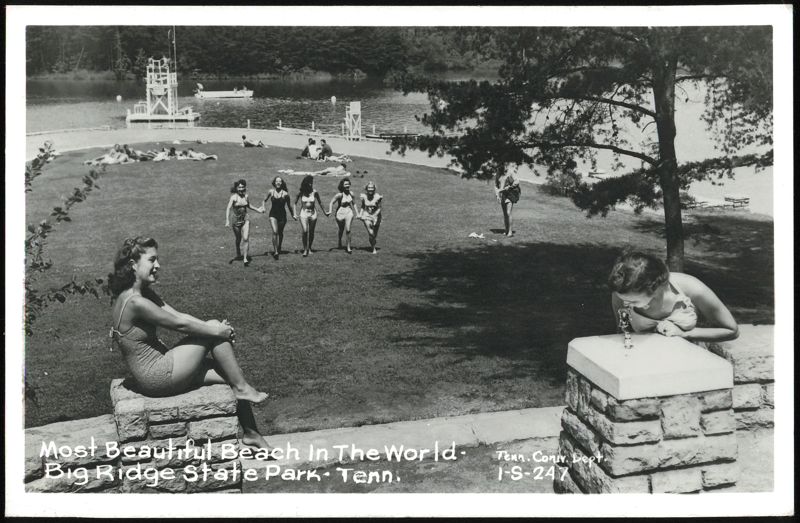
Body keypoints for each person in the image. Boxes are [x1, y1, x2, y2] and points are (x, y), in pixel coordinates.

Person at [107, 236, 272, 451]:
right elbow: (179, 324)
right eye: (152, 260)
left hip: (162, 371)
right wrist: (216, 330)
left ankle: (251, 432)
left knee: (226, 372)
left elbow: (178, 314)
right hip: (157, 377)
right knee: (214, 330)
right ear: (133, 265)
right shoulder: (135, 302)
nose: (158, 265)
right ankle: (243, 388)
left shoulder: (142, 294)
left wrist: (216, 330)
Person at [608, 252, 739, 342]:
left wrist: (684, 334)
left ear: (654, 288)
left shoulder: (692, 288)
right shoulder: (622, 293)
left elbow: (732, 330)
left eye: (634, 301)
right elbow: (622, 333)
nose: (627, 304)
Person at [225, 179, 263, 266]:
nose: (241, 189)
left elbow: (248, 205)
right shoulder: (233, 197)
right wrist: (227, 220)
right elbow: (228, 208)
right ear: (236, 188)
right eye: (239, 187)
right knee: (238, 239)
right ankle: (238, 250)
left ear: (245, 187)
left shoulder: (246, 196)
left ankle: (245, 258)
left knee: (245, 238)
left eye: (242, 187)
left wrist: (258, 210)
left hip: (245, 219)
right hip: (236, 220)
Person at [293, 175, 330, 257]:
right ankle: (305, 249)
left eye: (312, 183)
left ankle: (309, 248)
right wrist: (295, 214)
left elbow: (320, 202)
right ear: (305, 184)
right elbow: (294, 203)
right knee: (305, 231)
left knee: (311, 231)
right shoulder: (301, 193)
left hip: (313, 214)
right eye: (309, 183)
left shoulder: (315, 192)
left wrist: (325, 212)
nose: (311, 185)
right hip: (303, 213)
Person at [260, 176, 296, 260]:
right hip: (273, 215)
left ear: (282, 183)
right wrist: (263, 207)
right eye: (277, 181)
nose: (278, 183)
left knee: (280, 232)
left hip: (282, 216)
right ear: (274, 183)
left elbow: (289, 206)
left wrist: (293, 215)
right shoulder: (271, 192)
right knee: (275, 232)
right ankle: (276, 251)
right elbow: (264, 200)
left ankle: (279, 246)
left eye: (280, 181)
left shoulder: (286, 194)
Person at [328, 178, 357, 253]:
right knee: (341, 229)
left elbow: (354, 203)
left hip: (349, 212)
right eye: (345, 184)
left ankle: (348, 247)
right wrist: (330, 211)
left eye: (348, 184)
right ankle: (339, 241)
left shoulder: (351, 194)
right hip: (340, 213)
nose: (347, 186)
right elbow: (331, 202)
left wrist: (358, 213)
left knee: (348, 230)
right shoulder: (339, 195)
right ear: (342, 186)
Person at [358, 181, 383, 254]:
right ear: (366, 189)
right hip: (367, 215)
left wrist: (375, 216)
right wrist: (360, 214)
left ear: (374, 189)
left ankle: (373, 242)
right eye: (369, 188)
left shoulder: (378, 197)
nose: (370, 189)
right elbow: (363, 206)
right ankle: (373, 248)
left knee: (374, 235)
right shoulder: (363, 196)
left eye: (372, 188)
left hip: (377, 216)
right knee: (371, 233)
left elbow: (379, 208)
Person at [495, 169, 521, 237]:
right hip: (502, 195)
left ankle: (510, 232)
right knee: (505, 214)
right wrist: (497, 195)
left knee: (508, 213)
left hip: (509, 194)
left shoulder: (510, 172)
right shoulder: (498, 174)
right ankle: (506, 230)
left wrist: (509, 187)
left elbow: (517, 181)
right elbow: (496, 185)